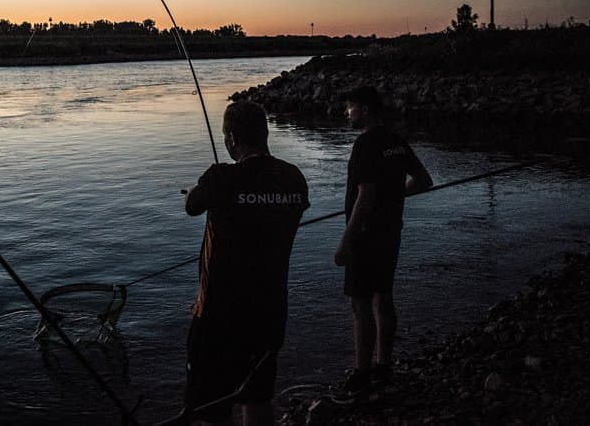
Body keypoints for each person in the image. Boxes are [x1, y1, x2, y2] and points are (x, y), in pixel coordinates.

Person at [183, 100, 310, 425]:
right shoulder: (294, 179)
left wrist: (211, 183)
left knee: (209, 409)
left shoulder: (220, 176)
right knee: (256, 396)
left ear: (232, 139)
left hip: (218, 316)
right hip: (270, 312)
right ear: (265, 133)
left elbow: (192, 205)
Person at [334, 85, 432, 400]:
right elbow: (423, 180)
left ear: (363, 109)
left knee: (360, 304)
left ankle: (362, 373)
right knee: (384, 298)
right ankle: (383, 366)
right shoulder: (396, 141)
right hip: (391, 232)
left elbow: (365, 196)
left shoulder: (364, 145)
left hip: (364, 236)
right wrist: (395, 195)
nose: (346, 113)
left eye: (349, 107)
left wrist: (345, 241)